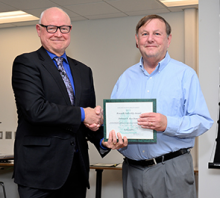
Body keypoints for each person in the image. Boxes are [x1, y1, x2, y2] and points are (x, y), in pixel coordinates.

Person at [11, 7, 126, 198]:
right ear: (39, 30)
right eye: (51, 28)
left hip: (76, 172)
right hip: (39, 174)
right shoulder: (26, 63)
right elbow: (35, 110)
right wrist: (83, 114)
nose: (58, 33)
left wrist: (104, 141)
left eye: (63, 28)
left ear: (70, 31)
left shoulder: (83, 71)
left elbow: (89, 122)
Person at [111, 14, 213, 198]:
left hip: (172, 170)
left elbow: (203, 121)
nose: (150, 39)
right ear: (137, 40)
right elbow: (115, 122)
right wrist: (111, 137)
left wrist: (167, 123)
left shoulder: (185, 75)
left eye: (157, 33)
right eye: (144, 34)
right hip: (132, 172)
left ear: (168, 39)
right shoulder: (125, 78)